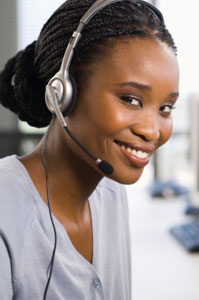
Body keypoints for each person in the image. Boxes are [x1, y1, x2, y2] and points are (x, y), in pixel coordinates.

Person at [0, 0, 179, 299]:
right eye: (131, 99)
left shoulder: (110, 191)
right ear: (63, 93)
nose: (152, 130)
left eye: (165, 107)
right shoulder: (6, 213)